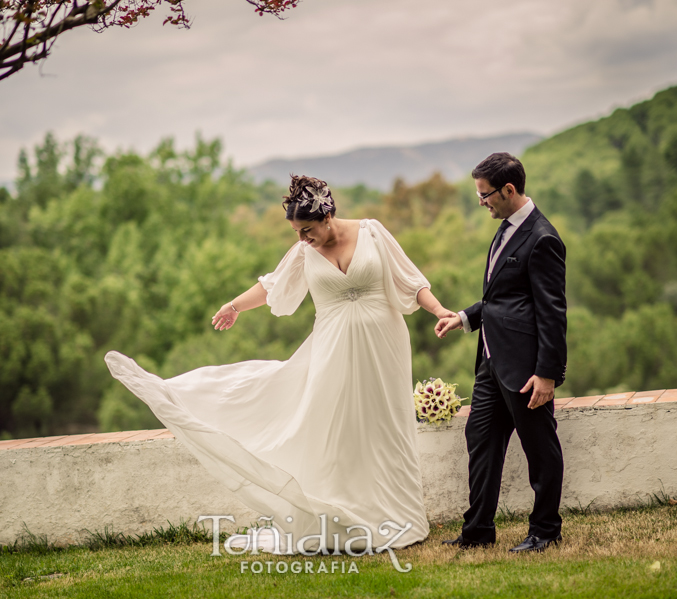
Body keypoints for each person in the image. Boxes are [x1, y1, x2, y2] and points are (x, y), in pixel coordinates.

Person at [106, 175, 455, 553]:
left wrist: (439, 310)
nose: (303, 239)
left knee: (386, 424)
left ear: (327, 215)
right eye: (296, 232)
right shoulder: (304, 252)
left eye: (307, 230)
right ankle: (345, 517)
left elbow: (410, 280)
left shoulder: (372, 233)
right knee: (338, 431)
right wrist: (235, 305)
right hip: (333, 349)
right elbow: (272, 286)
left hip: (384, 345)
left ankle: (401, 518)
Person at [435, 152, 567, 553]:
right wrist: (464, 317)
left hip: (525, 369)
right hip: (491, 363)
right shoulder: (507, 227)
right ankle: (477, 531)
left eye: (485, 194)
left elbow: (552, 311)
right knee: (481, 442)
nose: (482, 202)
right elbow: (503, 298)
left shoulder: (543, 238)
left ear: (509, 190)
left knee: (540, 451)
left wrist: (547, 373)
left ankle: (545, 530)